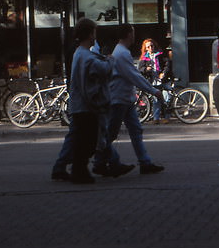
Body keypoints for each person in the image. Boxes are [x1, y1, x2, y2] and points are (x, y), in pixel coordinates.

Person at [93, 24, 164, 176]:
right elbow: (134, 76)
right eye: (132, 33)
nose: (134, 36)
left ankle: (145, 162)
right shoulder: (122, 53)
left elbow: (133, 76)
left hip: (125, 98)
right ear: (127, 35)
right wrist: (153, 90)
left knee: (135, 130)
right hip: (119, 99)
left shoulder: (121, 52)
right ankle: (99, 161)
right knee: (111, 134)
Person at [50, 18, 113, 184]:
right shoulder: (85, 55)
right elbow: (102, 70)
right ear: (89, 34)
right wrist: (110, 60)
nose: (95, 36)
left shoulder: (80, 53)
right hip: (86, 105)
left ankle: (75, 169)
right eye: (94, 33)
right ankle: (79, 171)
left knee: (81, 139)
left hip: (80, 104)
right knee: (87, 140)